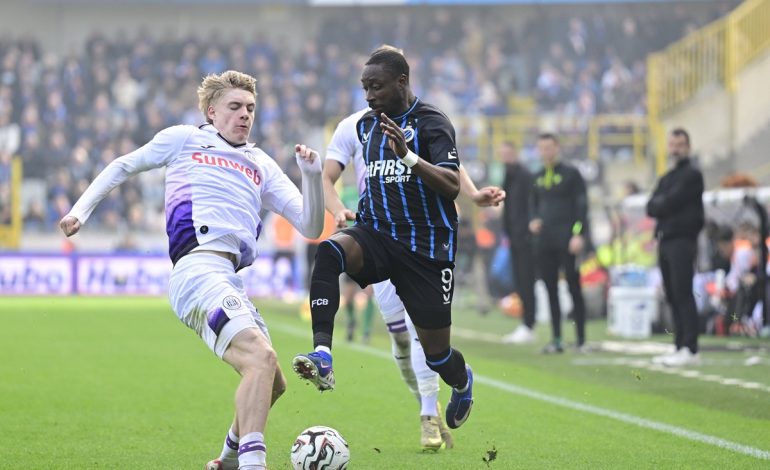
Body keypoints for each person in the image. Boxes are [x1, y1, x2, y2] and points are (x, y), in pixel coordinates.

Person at [59, 70, 325, 470]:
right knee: (261, 358)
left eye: (250, 108)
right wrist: (80, 211)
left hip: (229, 277)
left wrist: (313, 177)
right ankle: (253, 464)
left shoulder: (261, 163)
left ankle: (229, 459)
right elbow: (122, 165)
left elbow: (311, 225)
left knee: (272, 382)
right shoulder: (185, 138)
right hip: (197, 270)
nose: (244, 115)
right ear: (211, 110)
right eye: (235, 107)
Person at [293, 46, 484, 431]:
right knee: (329, 254)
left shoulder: (432, 123)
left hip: (426, 248)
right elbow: (336, 176)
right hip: (377, 233)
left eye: (376, 87)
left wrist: (409, 156)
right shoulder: (364, 125)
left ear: (401, 82)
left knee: (437, 355)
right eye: (364, 88)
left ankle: (462, 382)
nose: (369, 96)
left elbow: (450, 185)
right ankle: (323, 354)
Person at [322, 93, 503, 448]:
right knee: (400, 341)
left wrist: (473, 194)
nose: (377, 90)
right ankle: (429, 404)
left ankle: (426, 417)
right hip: (378, 236)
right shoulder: (354, 126)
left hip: (422, 238)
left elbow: (449, 164)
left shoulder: (422, 120)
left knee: (421, 333)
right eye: (371, 84)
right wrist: (337, 210)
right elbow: (328, 178)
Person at [647, 128, 704, 367]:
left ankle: (691, 347)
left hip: (683, 239)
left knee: (683, 291)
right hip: (666, 239)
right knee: (671, 293)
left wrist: (664, 204)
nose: (676, 149)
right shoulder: (667, 177)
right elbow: (651, 207)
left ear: (688, 147)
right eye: (672, 144)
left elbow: (670, 201)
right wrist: (664, 204)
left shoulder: (692, 175)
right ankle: (679, 345)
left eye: (680, 144)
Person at [529, 133, 589, 353]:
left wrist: (578, 233)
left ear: (557, 148)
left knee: (574, 287)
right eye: (542, 148)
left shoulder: (572, 175)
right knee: (550, 289)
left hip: (567, 239)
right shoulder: (536, 177)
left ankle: (581, 340)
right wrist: (532, 220)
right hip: (544, 241)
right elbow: (532, 206)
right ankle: (556, 339)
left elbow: (581, 207)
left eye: (549, 148)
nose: (546, 152)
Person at [499, 141, 537, 344]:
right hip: (513, 236)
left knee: (526, 280)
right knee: (520, 281)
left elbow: (530, 204)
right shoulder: (509, 174)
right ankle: (526, 323)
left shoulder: (523, 175)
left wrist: (526, 230)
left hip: (525, 237)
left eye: (508, 152)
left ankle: (529, 324)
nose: (505, 156)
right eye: (502, 153)